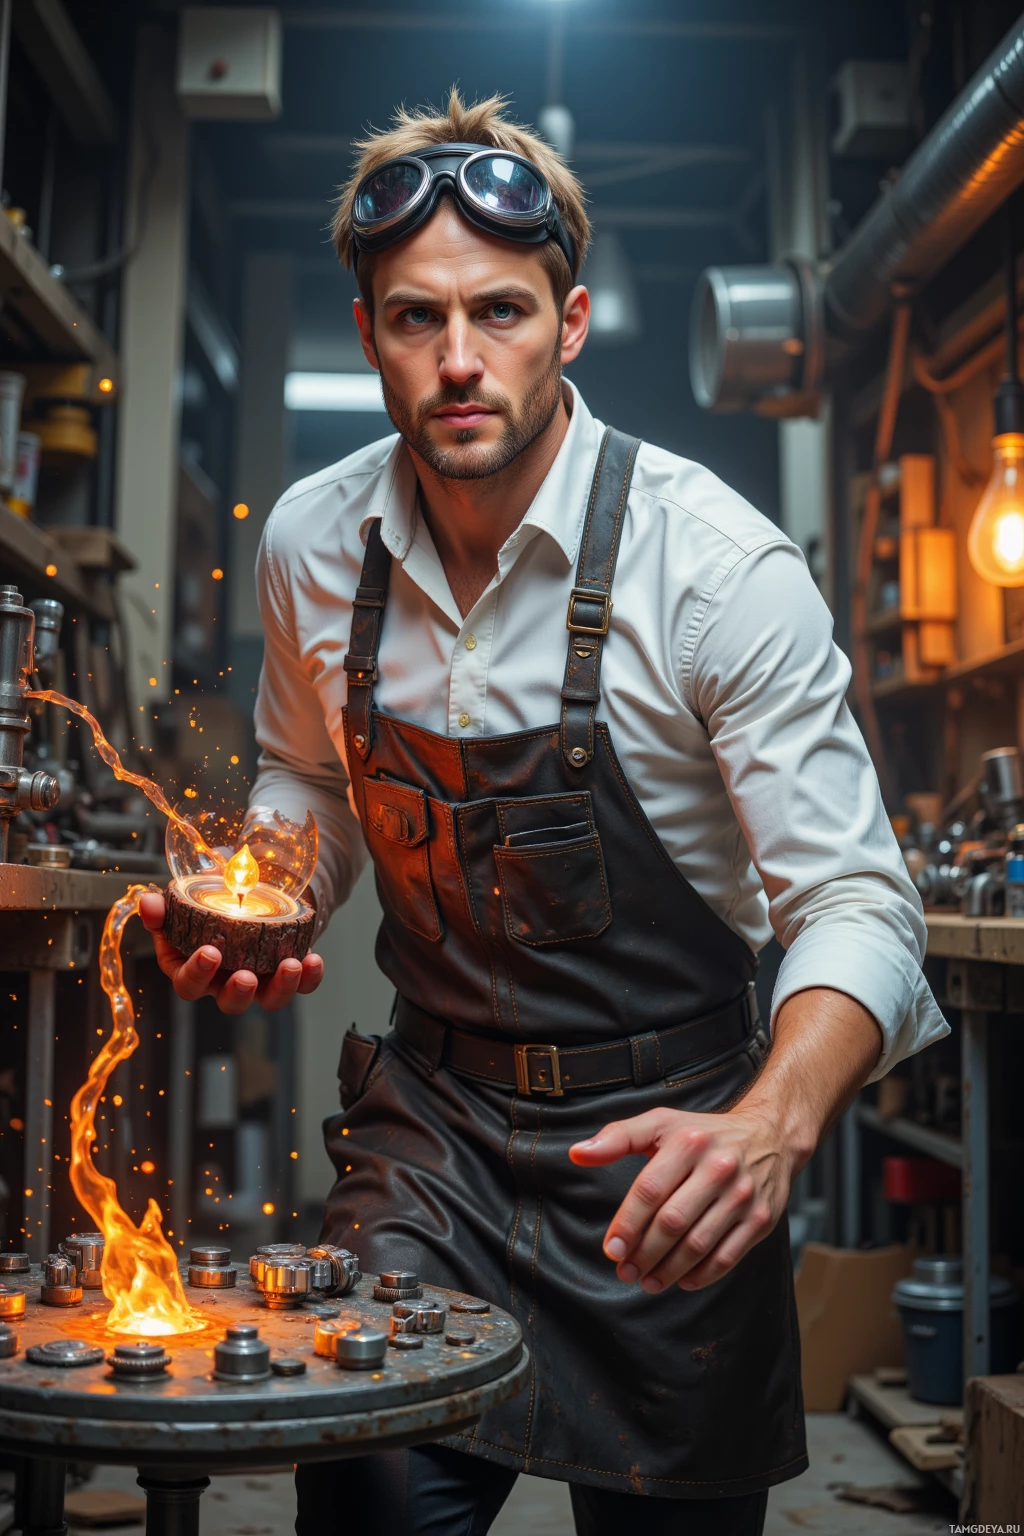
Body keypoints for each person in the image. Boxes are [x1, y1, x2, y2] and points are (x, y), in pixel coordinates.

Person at [141, 89, 947, 1536]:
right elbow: (307, 778)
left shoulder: (716, 569)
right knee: (368, 1501)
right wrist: (271, 886)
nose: (459, 359)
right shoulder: (313, 542)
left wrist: (773, 1123)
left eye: (500, 312)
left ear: (568, 323)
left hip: (668, 1154)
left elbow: (859, 903)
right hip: (432, 1138)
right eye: (416, 318)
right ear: (367, 330)